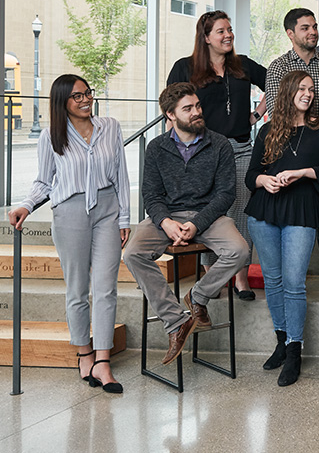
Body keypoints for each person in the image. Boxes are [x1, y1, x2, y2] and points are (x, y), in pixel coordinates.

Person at [8, 74, 130, 394]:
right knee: (77, 288)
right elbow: (44, 182)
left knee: (105, 288)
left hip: (107, 210)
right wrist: (26, 205)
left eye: (87, 93)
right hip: (70, 212)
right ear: (62, 102)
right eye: (77, 96)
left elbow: (121, 175)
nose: (85, 99)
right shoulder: (51, 136)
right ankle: (84, 353)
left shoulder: (111, 127)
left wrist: (125, 218)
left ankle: (103, 361)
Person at [123, 82, 250, 366]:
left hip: (209, 216)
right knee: (132, 253)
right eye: (188, 109)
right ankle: (175, 320)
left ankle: (198, 295)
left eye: (198, 106)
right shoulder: (156, 148)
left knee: (240, 251)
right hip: (167, 216)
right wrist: (166, 222)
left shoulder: (219, 144)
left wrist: (196, 224)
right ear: (170, 115)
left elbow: (225, 195)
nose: (196, 112)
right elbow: (151, 195)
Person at [245, 70, 319, 387]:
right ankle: (281, 340)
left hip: (302, 209)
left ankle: (295, 350)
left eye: (311, 89)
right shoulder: (269, 130)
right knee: (273, 279)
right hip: (264, 210)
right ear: (287, 92)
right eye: (301, 88)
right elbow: (250, 176)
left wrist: (303, 173)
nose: (308, 93)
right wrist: (263, 179)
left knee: (294, 282)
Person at [167, 10, 267, 300]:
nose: (228, 35)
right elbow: (171, 109)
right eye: (221, 31)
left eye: (230, 29)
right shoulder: (185, 67)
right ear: (206, 37)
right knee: (209, 214)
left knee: (240, 212)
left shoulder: (243, 65)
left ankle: (240, 277)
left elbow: (276, 84)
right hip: (202, 152)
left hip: (239, 148)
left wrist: (256, 115)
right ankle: (212, 275)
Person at [264, 8, 319, 290]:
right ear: (290, 34)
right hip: (288, 145)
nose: (312, 32)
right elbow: (277, 111)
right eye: (305, 28)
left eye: (314, 26)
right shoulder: (277, 68)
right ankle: (286, 273)